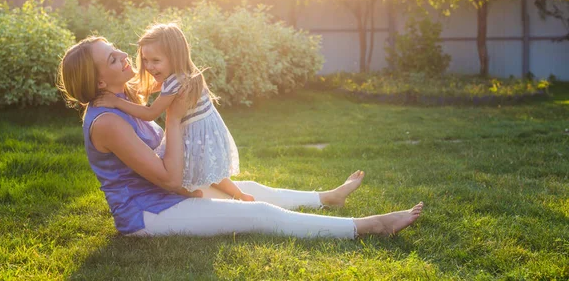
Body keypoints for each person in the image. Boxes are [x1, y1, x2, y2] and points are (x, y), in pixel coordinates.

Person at [57, 36, 423, 238]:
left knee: (248, 187)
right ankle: (369, 227)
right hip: (149, 215)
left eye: (115, 49)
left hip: (168, 195)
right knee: (258, 213)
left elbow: (169, 80)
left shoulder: (123, 98)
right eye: (111, 58)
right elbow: (169, 179)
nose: (123, 54)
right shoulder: (106, 121)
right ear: (99, 82)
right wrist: (175, 116)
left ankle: (327, 198)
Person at [94, 23, 250, 201]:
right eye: (145, 60)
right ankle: (240, 195)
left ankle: (191, 193)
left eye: (156, 61)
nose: (149, 67)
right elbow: (150, 87)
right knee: (204, 167)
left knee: (178, 168)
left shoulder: (174, 82)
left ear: (174, 57)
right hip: (206, 130)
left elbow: (150, 113)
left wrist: (116, 101)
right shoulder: (185, 73)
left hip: (193, 134)